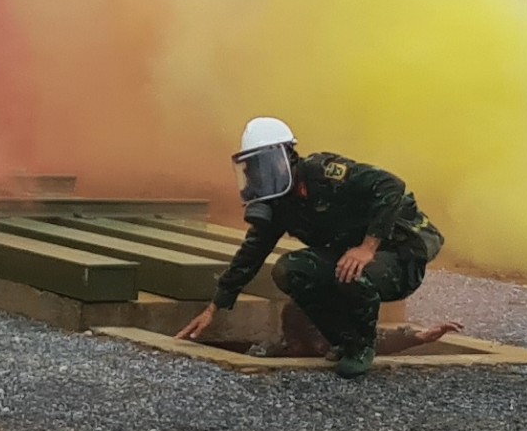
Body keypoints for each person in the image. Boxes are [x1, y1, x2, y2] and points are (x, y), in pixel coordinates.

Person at [175, 117, 445, 378]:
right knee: (289, 269)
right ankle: (344, 340)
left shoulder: (322, 173)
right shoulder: (280, 203)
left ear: (287, 156)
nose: (260, 174)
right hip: (352, 256)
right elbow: (251, 253)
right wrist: (215, 307)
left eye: (265, 164)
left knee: (350, 271)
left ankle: (361, 348)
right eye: (254, 168)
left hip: (399, 255)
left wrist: (367, 247)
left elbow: (391, 185)